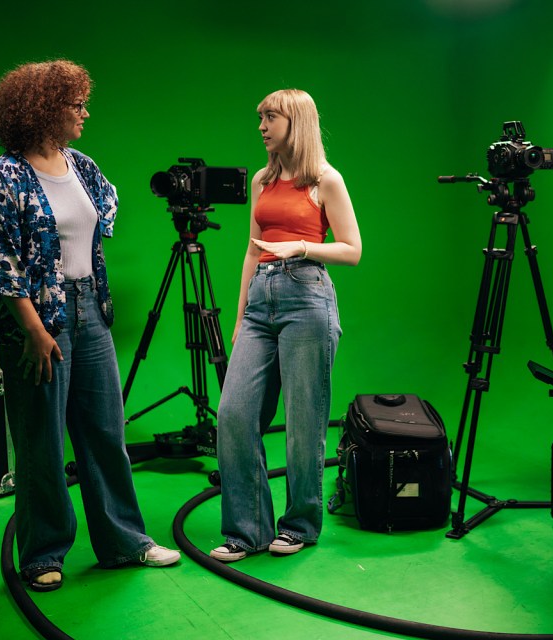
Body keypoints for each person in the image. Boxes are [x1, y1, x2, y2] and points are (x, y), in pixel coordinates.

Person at [0, 60, 180, 592]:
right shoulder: (5, 177)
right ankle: (44, 552)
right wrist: (33, 331)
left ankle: (124, 542)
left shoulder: (81, 165)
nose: (84, 113)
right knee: (41, 437)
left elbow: (103, 210)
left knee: (105, 431)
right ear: (45, 109)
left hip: (90, 308)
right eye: (76, 105)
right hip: (37, 318)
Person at [210, 89, 362, 562]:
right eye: (259, 118)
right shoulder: (261, 179)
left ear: (295, 121)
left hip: (307, 299)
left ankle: (298, 525)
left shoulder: (325, 180)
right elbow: (252, 250)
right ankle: (247, 530)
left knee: (303, 422)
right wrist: (239, 319)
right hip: (260, 304)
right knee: (234, 415)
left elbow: (352, 249)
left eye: (270, 117)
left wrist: (302, 246)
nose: (261, 126)